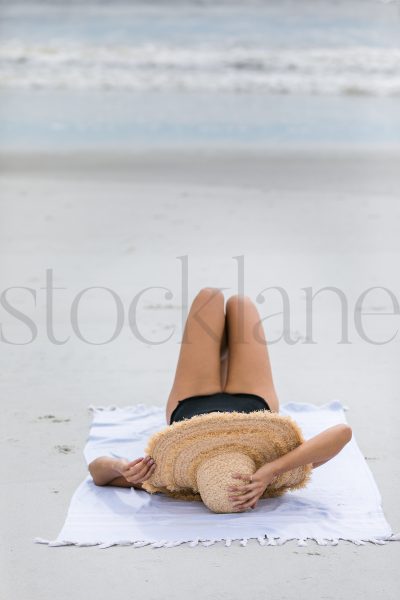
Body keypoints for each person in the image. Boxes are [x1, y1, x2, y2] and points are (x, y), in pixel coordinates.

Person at [89, 288, 352, 511]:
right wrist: (270, 471)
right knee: (240, 305)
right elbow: (342, 432)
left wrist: (122, 467)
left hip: (191, 403)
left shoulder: (171, 476)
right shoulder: (271, 472)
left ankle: (221, 358)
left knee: (209, 297)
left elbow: (97, 471)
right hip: (253, 403)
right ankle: (223, 358)